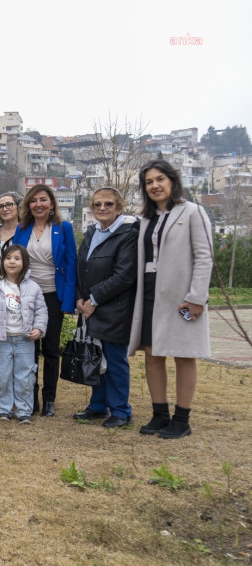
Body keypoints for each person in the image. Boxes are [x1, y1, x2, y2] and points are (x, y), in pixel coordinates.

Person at [128, 160, 213, 439]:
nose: (155, 185)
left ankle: (182, 419)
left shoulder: (192, 212)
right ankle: (159, 414)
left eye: (160, 179)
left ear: (172, 181)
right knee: (152, 355)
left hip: (181, 297)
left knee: (184, 355)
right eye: (149, 182)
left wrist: (197, 298)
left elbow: (204, 257)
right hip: (150, 293)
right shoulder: (145, 220)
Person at [73, 188, 139, 429]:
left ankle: (121, 411)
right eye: (97, 204)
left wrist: (94, 300)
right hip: (90, 307)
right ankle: (98, 405)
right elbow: (83, 268)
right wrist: (80, 297)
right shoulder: (92, 233)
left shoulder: (127, 234)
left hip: (114, 309)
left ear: (119, 208)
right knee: (95, 357)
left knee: (115, 362)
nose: (102, 208)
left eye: (108, 204)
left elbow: (124, 276)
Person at [13, 185, 77, 417]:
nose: (38, 204)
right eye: (33, 200)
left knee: (50, 349)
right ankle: (30, 397)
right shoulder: (22, 229)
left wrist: (68, 302)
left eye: (43, 199)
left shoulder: (64, 228)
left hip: (52, 296)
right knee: (29, 349)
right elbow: (15, 259)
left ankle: (49, 398)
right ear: (28, 205)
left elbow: (71, 266)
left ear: (51, 204)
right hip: (26, 295)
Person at [0, 245, 48, 423]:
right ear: (2, 261)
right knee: (2, 375)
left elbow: (42, 310)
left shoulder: (33, 287)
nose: (12, 262)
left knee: (25, 376)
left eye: (17, 258)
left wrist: (39, 328)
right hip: (2, 339)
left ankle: (24, 410)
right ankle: (4, 408)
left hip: (25, 340)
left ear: (24, 262)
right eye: (8, 258)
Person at [0, 191, 23, 272]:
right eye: (1, 206)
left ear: (18, 207)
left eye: (9, 204)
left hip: (18, 282)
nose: (4, 209)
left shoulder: (25, 232)